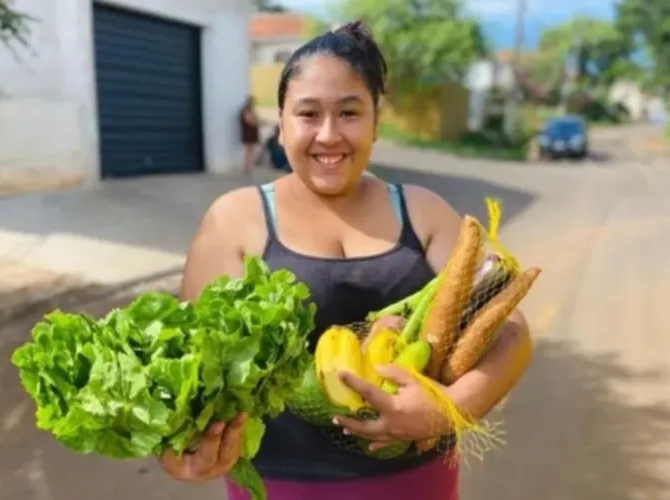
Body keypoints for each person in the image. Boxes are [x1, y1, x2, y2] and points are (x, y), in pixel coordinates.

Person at [161, 21, 533, 500]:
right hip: (282, 484)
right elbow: (186, 367)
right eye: (308, 114)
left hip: (416, 480)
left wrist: (448, 408)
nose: (329, 135)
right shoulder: (236, 220)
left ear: (377, 120)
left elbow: (512, 330)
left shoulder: (421, 211)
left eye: (350, 113)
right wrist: (179, 448)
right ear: (282, 121)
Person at [239, 95, 261, 175]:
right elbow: (250, 121)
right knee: (248, 150)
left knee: (250, 150)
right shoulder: (246, 111)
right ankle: (247, 166)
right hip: (248, 133)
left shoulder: (248, 110)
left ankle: (249, 165)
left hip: (250, 133)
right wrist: (257, 122)